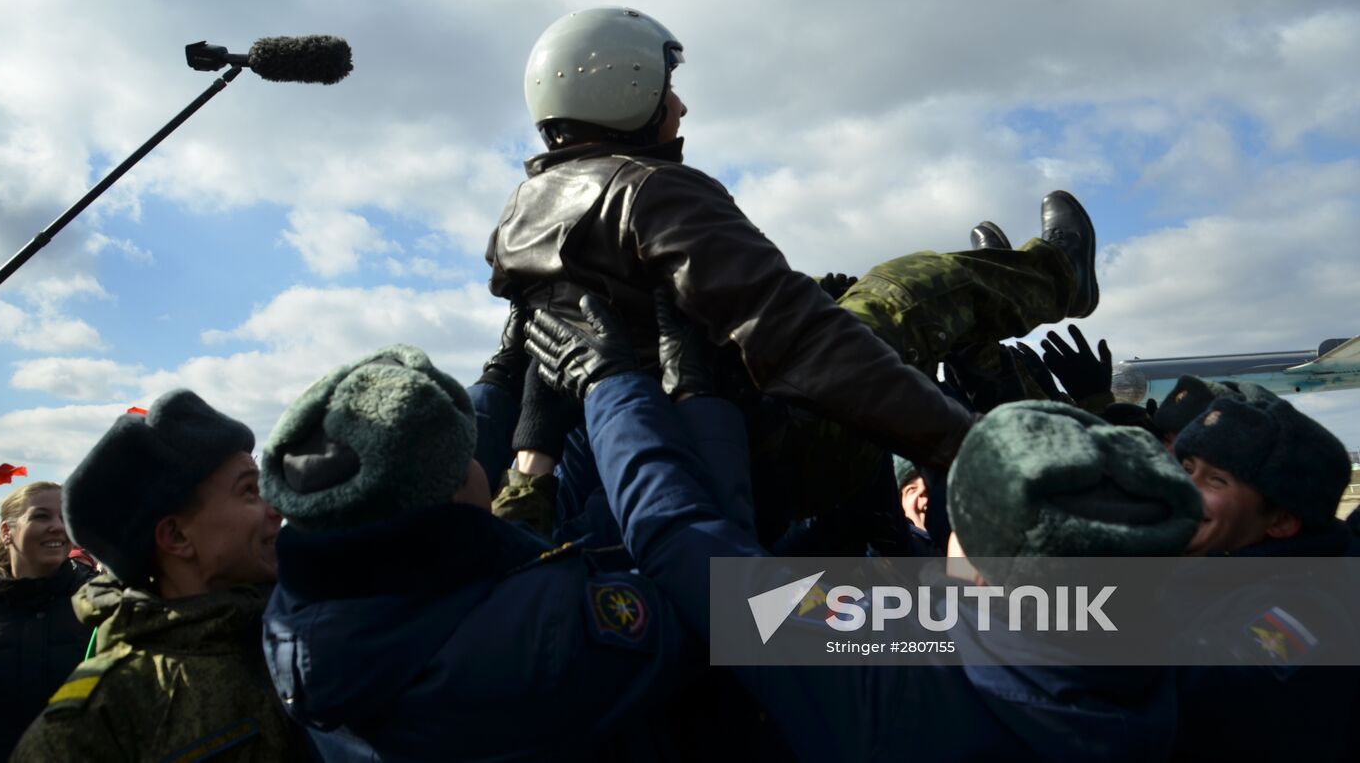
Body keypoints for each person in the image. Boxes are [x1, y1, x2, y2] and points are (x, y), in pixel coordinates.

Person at [524, 295, 1203, 762]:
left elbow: (682, 539)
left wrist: (611, 380)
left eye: (959, 522)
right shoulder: (1172, 652)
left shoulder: (893, 675)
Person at [487, 6, 1099, 471]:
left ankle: (987, 300)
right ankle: (1058, 276)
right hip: (768, 442)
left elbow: (687, 312)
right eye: (667, 87)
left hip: (661, 450)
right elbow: (801, 341)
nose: (680, 106)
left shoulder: (522, 218)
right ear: (628, 90)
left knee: (875, 301)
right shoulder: (651, 193)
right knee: (908, 291)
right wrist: (969, 451)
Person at [258, 344, 709, 762]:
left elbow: (461, 573)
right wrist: (634, 392)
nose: (481, 461)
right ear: (455, 495)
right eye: (467, 457)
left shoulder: (300, 615)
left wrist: (507, 396)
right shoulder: (547, 635)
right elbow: (727, 616)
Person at [11, 390, 308, 763]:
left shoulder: (305, 642)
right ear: (177, 537)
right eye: (249, 490)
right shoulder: (96, 723)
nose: (275, 509)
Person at [1169, 391, 1360, 762]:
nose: (1183, 490)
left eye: (1216, 480)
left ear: (1282, 522)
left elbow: (1166, 709)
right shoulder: (1209, 567)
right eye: (1187, 468)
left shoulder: (1294, 614)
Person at [0, 481, 93, 763]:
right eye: (41, 516)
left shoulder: (98, 604)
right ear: (7, 532)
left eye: (64, 516)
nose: (57, 526)